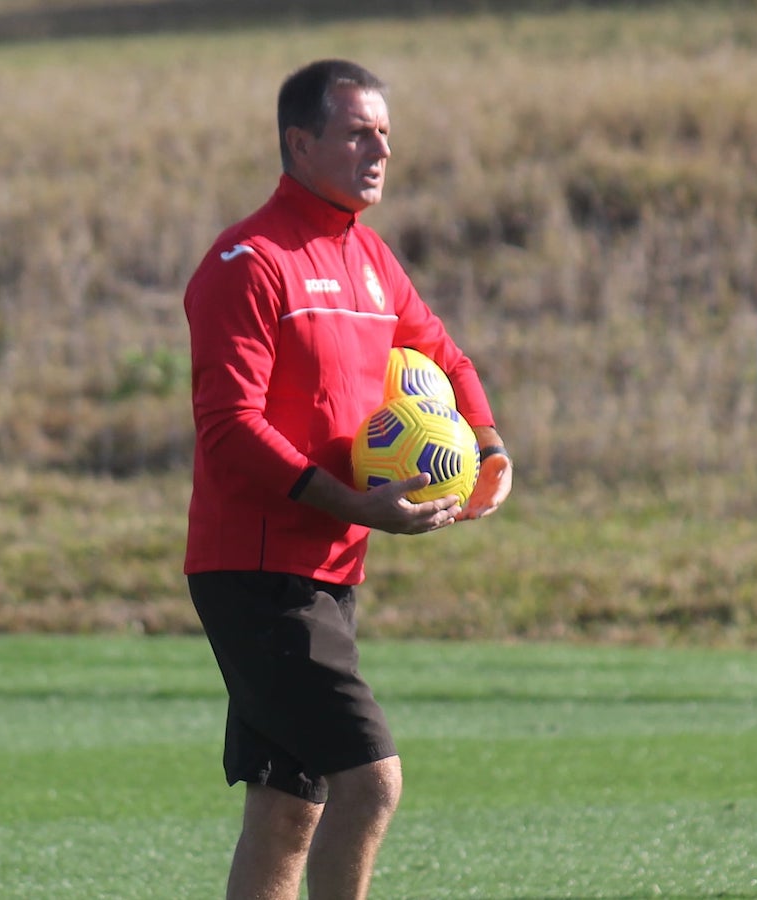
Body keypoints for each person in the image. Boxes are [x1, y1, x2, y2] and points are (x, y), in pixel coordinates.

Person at [183, 59, 512, 900]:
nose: (381, 149)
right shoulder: (247, 262)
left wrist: (490, 445)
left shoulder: (369, 258)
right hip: (255, 573)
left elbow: (444, 353)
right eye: (360, 131)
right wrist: (349, 503)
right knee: (372, 780)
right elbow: (230, 432)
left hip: (330, 569)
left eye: (386, 133)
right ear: (300, 141)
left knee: (288, 805)